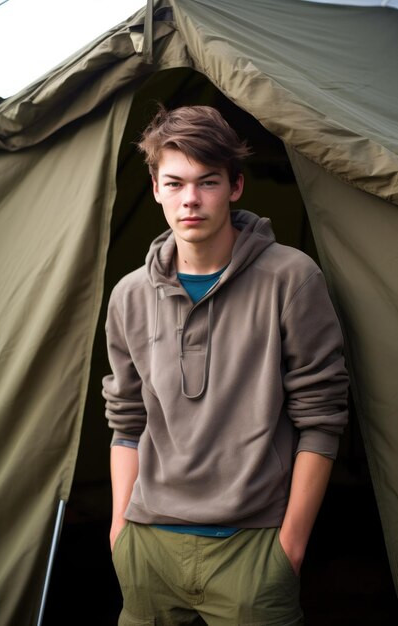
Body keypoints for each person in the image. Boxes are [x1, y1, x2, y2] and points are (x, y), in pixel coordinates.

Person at [102, 105, 349, 625]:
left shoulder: (291, 279)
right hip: (147, 548)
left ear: (235, 187)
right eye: (175, 183)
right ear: (155, 189)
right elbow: (126, 422)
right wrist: (119, 530)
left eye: (206, 181)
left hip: (253, 550)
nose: (190, 199)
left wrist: (290, 547)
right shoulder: (128, 295)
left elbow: (322, 418)